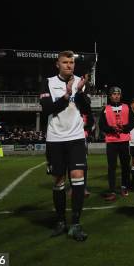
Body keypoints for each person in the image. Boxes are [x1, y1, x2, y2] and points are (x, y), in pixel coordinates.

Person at [40, 50, 90, 241]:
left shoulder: (80, 82)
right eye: (65, 62)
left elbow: (86, 109)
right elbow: (47, 109)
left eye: (72, 62)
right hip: (55, 139)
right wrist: (66, 95)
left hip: (76, 137)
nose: (69, 65)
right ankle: (61, 221)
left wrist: (77, 92)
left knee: (77, 177)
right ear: (57, 64)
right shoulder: (48, 82)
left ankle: (76, 224)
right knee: (59, 180)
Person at [99, 86, 134, 201]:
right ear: (110, 96)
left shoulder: (127, 107)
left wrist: (123, 128)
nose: (116, 96)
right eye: (114, 94)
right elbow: (102, 125)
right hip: (111, 141)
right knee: (112, 167)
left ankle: (124, 187)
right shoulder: (105, 109)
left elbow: (132, 123)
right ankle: (112, 190)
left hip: (124, 141)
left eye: (118, 94)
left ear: (120, 95)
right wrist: (112, 129)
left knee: (125, 166)